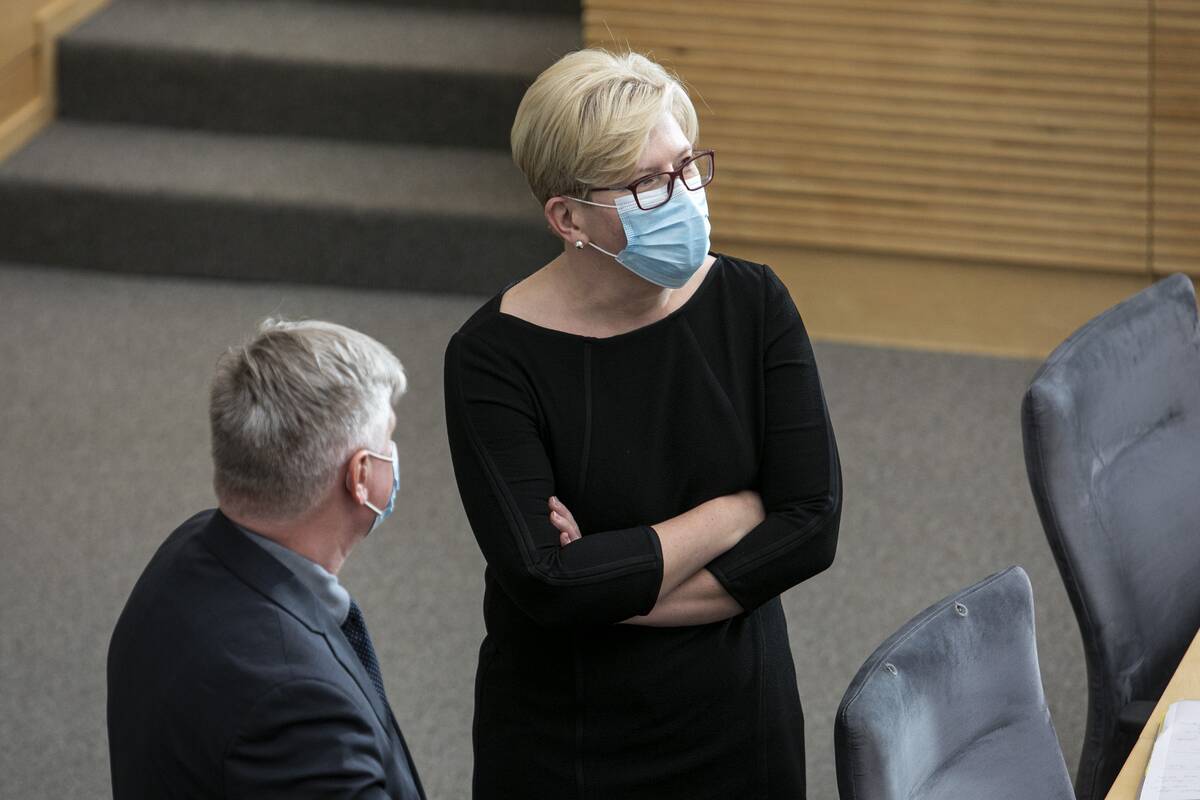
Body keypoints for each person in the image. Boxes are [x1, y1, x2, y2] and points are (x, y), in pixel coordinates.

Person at [444, 49, 842, 799]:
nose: (684, 196)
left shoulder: (753, 303)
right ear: (567, 217)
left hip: (736, 717)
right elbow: (547, 583)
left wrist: (608, 583)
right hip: (569, 739)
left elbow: (811, 525)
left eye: (687, 167)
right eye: (648, 184)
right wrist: (735, 513)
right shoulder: (491, 358)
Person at [108, 319, 424, 799]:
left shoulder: (188, 547)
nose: (394, 455)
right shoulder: (300, 706)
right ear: (360, 476)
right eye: (388, 439)